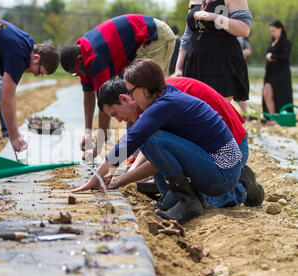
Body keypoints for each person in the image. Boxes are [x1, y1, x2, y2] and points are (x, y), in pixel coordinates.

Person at [73, 59, 248, 223]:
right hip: (217, 167)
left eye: (132, 92)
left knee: (150, 139)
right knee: (148, 140)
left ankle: (188, 202)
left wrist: (100, 177)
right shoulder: (164, 98)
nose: (131, 97)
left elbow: (129, 143)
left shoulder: (164, 104)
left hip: (223, 172)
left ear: (143, 88)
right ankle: (178, 199)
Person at [96, 76, 264, 209]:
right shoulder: (147, 96)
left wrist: (124, 179)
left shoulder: (160, 102)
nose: (118, 120)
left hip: (231, 148)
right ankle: (175, 195)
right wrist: (131, 170)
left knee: (212, 200)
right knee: (172, 199)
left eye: (115, 114)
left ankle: (242, 185)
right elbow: (148, 141)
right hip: (204, 148)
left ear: (125, 98)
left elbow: (158, 151)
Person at [60, 14, 176, 160]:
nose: (80, 75)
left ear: (78, 59)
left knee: (145, 97)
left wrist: (98, 146)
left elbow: (104, 101)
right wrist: (88, 131)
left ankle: (148, 156)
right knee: (132, 97)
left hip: (154, 36)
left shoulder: (95, 58)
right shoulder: (83, 57)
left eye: (78, 72)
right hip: (141, 42)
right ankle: (137, 154)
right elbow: (88, 94)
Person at [0, 22, 60, 152]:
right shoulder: (20, 56)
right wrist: (14, 137)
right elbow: (6, 99)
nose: (35, 75)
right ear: (36, 57)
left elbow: (10, 95)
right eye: (39, 72)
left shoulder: (26, 42)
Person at [173, 0, 251, 103]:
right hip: (195, 62)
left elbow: (244, 29)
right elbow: (187, 36)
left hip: (222, 62)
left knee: (217, 111)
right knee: (195, 111)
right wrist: (178, 68)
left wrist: (214, 17)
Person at [262, 20, 293, 118]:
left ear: (280, 29)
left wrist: (273, 56)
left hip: (281, 73)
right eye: (271, 31)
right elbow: (266, 52)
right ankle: (272, 116)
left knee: (279, 95)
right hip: (271, 72)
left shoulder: (286, 42)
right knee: (266, 93)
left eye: (274, 31)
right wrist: (268, 55)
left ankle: (277, 117)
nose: (272, 33)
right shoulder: (272, 42)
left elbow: (285, 56)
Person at [236, 36, 252, 114]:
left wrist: (237, 52)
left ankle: (245, 112)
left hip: (239, 65)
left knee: (239, 90)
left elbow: (248, 50)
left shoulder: (242, 38)